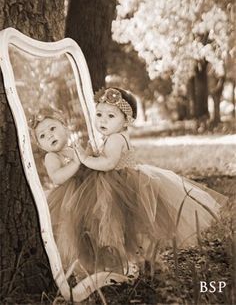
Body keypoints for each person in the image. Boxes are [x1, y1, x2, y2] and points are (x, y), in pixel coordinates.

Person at [71, 87, 227, 274]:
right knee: (128, 227)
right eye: (99, 114)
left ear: (126, 121)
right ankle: (136, 261)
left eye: (111, 116)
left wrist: (85, 158)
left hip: (119, 184)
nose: (103, 120)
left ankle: (128, 262)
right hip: (119, 181)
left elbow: (109, 163)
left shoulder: (115, 139)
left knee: (117, 223)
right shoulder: (113, 136)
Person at [28, 108, 92, 276]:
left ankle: (103, 262)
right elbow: (57, 177)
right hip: (70, 199)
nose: (49, 135)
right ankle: (82, 270)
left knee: (94, 228)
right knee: (77, 234)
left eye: (52, 128)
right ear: (41, 146)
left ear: (65, 127)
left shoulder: (73, 148)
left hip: (90, 191)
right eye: (42, 136)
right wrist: (75, 164)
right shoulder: (52, 157)